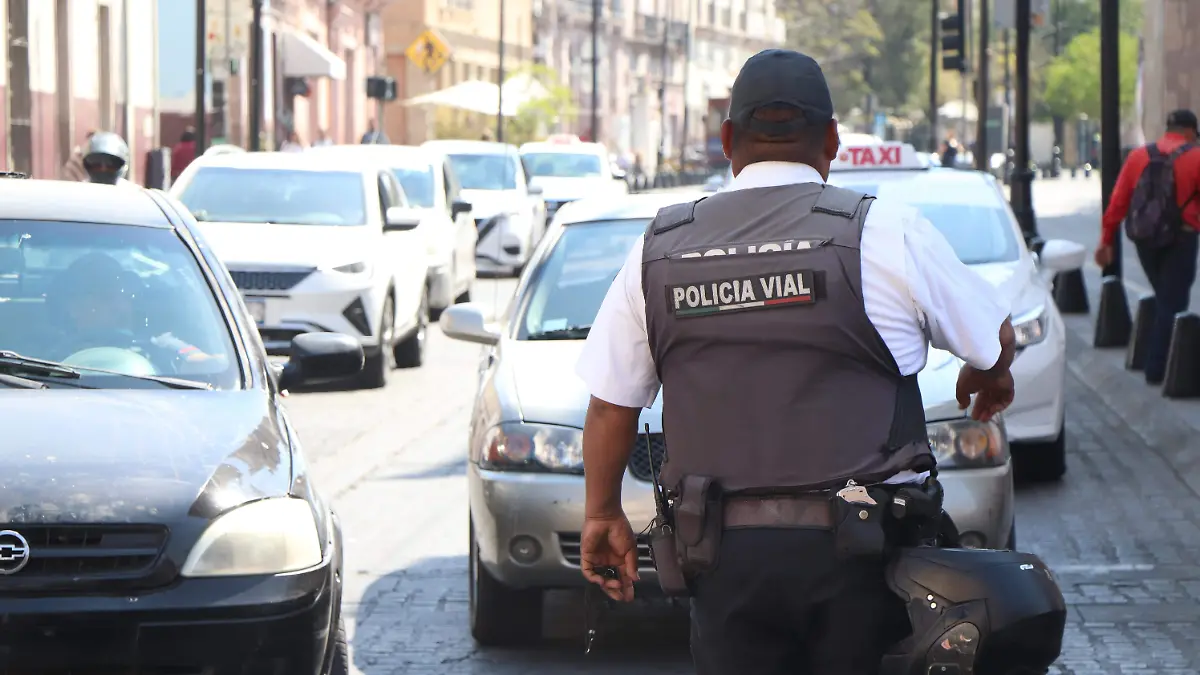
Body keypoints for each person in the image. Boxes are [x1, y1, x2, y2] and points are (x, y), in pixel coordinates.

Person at [575, 48, 1017, 675]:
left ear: (727, 139)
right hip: (862, 561)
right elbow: (993, 332)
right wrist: (990, 371)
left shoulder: (661, 248)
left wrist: (602, 512)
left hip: (723, 562)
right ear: (832, 140)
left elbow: (610, 401)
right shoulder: (882, 231)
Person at [1095, 109, 1200, 385]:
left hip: (1145, 240)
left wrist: (1106, 240)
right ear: (1190, 131)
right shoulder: (1195, 157)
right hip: (1181, 239)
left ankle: (1159, 359)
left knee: (1165, 297)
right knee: (1173, 303)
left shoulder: (1138, 156)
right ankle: (1160, 368)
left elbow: (1117, 202)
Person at [46, 252, 220, 367]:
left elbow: (204, 362)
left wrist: (207, 362)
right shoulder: (40, 359)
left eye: (126, 297)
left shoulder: (160, 346)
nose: (120, 307)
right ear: (74, 308)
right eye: (105, 298)